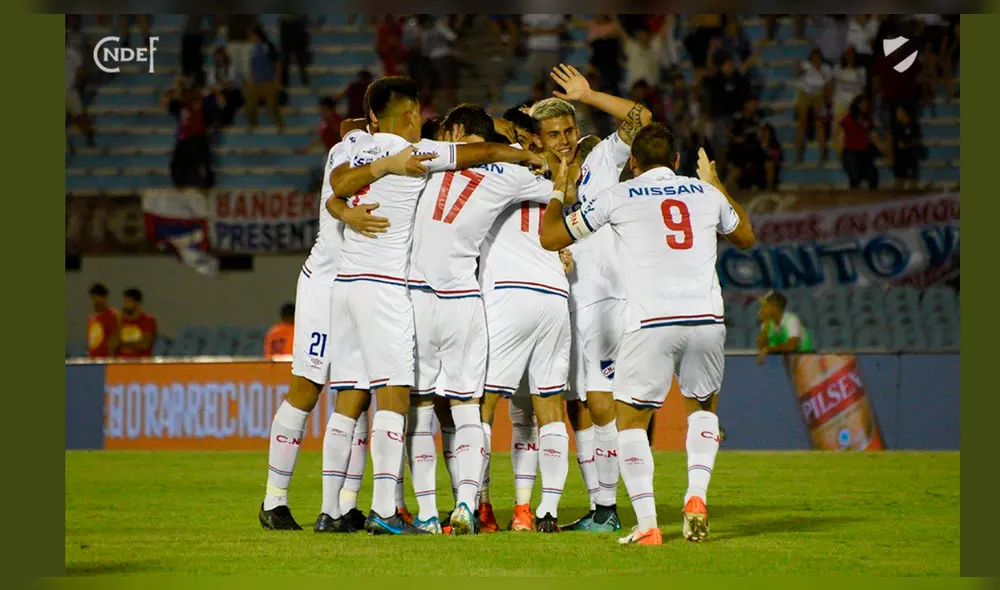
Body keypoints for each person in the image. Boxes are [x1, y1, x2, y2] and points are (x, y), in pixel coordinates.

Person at [317, 76, 546, 536]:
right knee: (423, 404)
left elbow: (337, 185)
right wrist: (523, 153)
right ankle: (424, 507)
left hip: (346, 287)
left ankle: (349, 509)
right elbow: (479, 154)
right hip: (407, 292)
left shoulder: (351, 145)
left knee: (362, 403)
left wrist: (347, 208)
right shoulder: (421, 154)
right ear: (412, 114)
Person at [538, 127, 756, 546]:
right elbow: (745, 236)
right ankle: (695, 498)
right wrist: (716, 184)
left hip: (651, 320)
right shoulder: (704, 194)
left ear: (632, 164)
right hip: (707, 318)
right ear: (675, 160)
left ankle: (649, 524)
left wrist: (557, 193)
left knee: (631, 420)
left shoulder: (617, 196)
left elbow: (550, 239)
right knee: (703, 409)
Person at [258, 103, 445, 532]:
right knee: (307, 388)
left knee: (358, 397)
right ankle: (274, 499)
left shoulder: (372, 148)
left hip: (361, 284)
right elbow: (349, 133)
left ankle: (341, 507)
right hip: (325, 282)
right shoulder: (356, 149)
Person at [406, 104, 565, 535]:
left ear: (455, 130)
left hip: (417, 297)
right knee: (467, 407)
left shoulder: (426, 156)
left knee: (419, 409)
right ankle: (466, 505)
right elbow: (556, 180)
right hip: (463, 298)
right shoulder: (510, 174)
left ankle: (423, 513)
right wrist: (531, 153)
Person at [532, 64, 652, 534]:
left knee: (603, 403)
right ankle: (602, 506)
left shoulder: (603, 159)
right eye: (553, 134)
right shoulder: (536, 178)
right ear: (538, 140)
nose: (563, 140)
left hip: (610, 297)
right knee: (583, 405)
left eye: (568, 130)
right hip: (566, 303)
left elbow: (641, 117)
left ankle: (613, 507)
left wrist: (588, 93)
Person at [163, 77, 216, 189]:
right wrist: (176, 89)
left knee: (202, 162)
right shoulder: (181, 105)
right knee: (176, 164)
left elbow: (218, 105)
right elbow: (166, 102)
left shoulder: (203, 104)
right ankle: (180, 185)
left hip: (198, 138)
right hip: (185, 139)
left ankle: (205, 184)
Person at [794, 48, 833, 163]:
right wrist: (799, 68)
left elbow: (828, 87)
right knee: (802, 123)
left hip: (818, 96)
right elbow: (797, 69)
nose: (816, 60)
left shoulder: (826, 69)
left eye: (818, 58)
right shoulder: (806, 66)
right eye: (814, 58)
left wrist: (827, 102)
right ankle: (798, 154)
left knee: (820, 124)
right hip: (805, 95)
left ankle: (823, 153)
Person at [756, 291, 814, 367]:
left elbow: (792, 346)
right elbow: (761, 346)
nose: (762, 309)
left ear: (775, 307)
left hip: (807, 360)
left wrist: (769, 349)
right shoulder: (768, 323)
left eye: (765, 305)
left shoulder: (791, 319)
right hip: (787, 363)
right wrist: (766, 322)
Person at [840, 94, 885, 191]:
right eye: (863, 103)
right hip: (851, 152)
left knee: (873, 176)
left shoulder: (868, 119)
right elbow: (840, 133)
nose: (865, 106)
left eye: (866, 104)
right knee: (855, 179)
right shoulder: (849, 118)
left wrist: (883, 149)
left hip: (865, 152)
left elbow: (873, 135)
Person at [246, 26, 284, 132]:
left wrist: (277, 79)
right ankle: (253, 125)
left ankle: (280, 125)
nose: (249, 37)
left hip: (269, 81)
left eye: (251, 35)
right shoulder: (252, 49)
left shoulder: (268, 46)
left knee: (272, 106)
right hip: (255, 81)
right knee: (250, 106)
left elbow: (276, 64)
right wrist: (250, 78)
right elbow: (252, 65)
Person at [832, 47, 866, 153]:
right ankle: (839, 153)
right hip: (840, 103)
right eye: (847, 55)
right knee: (837, 130)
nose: (849, 57)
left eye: (851, 55)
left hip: (854, 106)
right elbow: (833, 85)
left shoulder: (861, 70)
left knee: (852, 131)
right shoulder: (837, 68)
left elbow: (862, 88)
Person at [117, 289, 157, 359]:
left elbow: (145, 345)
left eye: (128, 302)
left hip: (140, 364)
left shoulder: (148, 320)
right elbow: (114, 344)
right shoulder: (120, 321)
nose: (125, 305)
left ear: (138, 303)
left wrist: (123, 345)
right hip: (122, 364)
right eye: (125, 302)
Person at [891, 105, 922, 189]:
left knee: (913, 181)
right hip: (899, 157)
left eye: (899, 112)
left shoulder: (913, 125)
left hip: (911, 156)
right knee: (899, 181)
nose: (897, 114)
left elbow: (917, 140)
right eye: (897, 112)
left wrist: (906, 144)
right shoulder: (896, 126)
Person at [87, 283, 119, 359]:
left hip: (105, 363)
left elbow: (114, 342)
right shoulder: (92, 319)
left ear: (105, 298)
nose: (95, 302)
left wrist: (110, 362)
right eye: (93, 299)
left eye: (98, 299)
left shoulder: (113, 315)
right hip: (93, 363)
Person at [279, 15, 311, 87]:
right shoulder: (298, 22)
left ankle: (284, 82)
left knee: (286, 59)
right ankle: (304, 81)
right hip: (294, 29)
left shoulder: (284, 22)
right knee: (298, 60)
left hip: (289, 29)